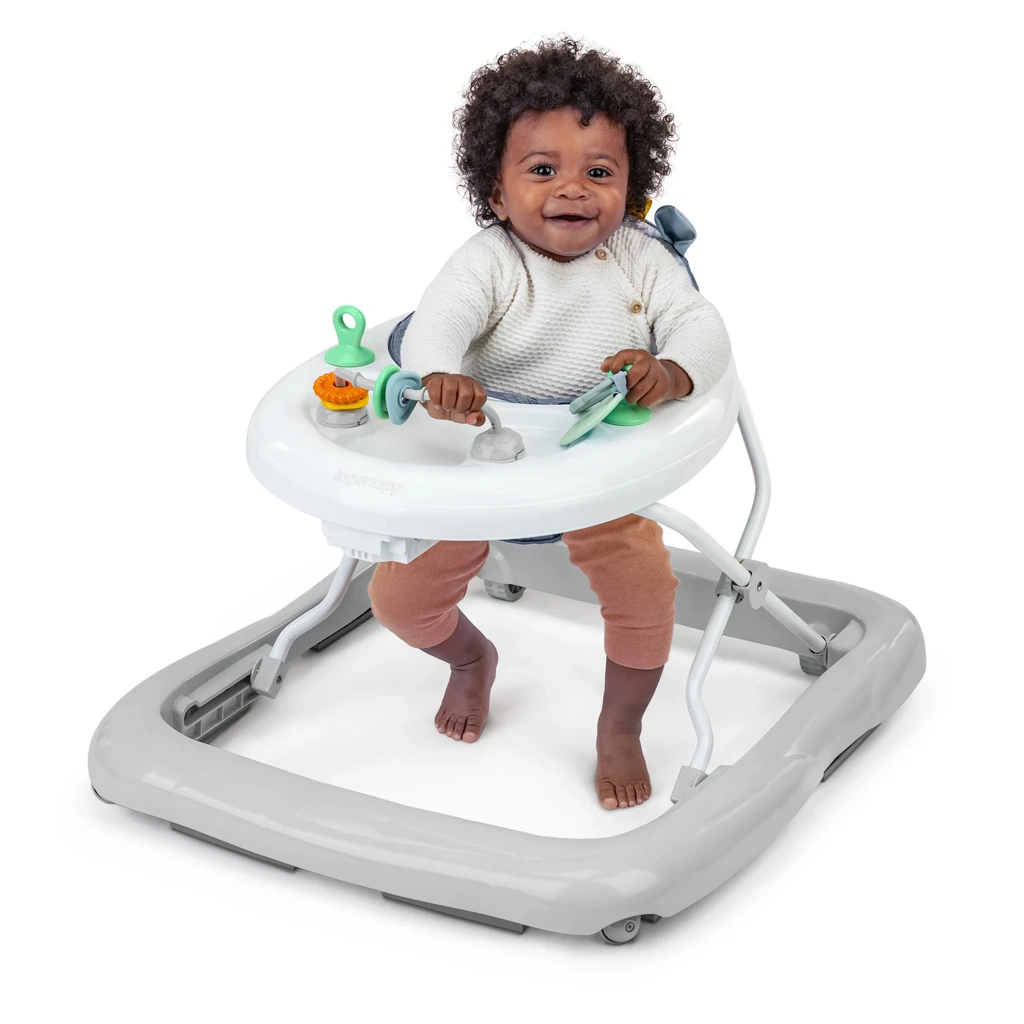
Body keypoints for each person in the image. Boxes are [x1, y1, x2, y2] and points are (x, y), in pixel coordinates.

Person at [368, 36, 732, 809]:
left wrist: (670, 372)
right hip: (482, 464)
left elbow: (701, 326)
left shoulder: (641, 261)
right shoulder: (489, 262)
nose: (572, 188)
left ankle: (621, 724)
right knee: (397, 600)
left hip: (595, 467)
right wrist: (440, 378)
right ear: (496, 194)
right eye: (542, 170)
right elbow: (439, 322)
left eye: (599, 172)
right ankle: (470, 660)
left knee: (647, 593)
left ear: (631, 190)